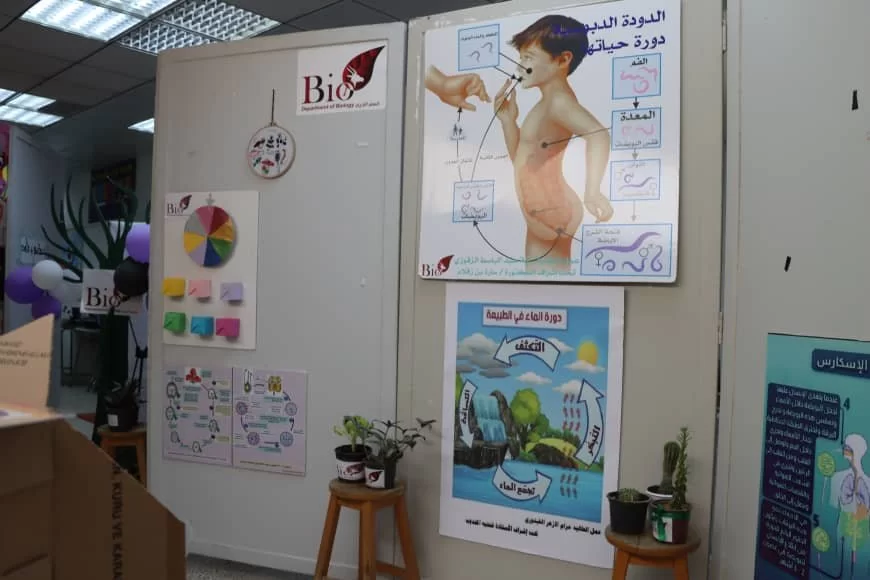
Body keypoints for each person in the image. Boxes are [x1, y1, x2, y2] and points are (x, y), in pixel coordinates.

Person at [495, 14, 613, 270]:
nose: (519, 66)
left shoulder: (559, 102)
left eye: (528, 58)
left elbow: (598, 135)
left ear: (562, 60)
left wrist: (592, 191)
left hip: (551, 208)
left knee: (545, 285)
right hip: (542, 208)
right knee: (546, 284)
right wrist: (508, 122)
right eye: (520, 58)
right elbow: (523, 161)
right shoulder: (546, 103)